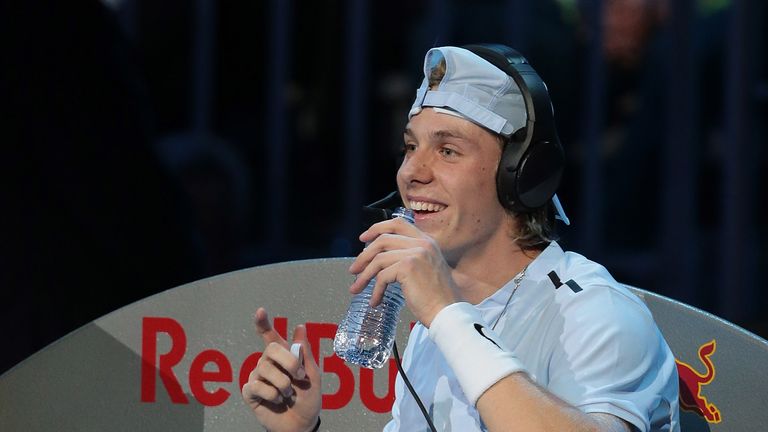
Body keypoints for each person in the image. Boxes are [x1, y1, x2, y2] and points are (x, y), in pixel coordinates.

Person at [241, 44, 680, 432]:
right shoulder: (433, 330)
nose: (412, 172)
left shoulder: (595, 313)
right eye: (410, 147)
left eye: (447, 150)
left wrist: (446, 314)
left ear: (522, 176)